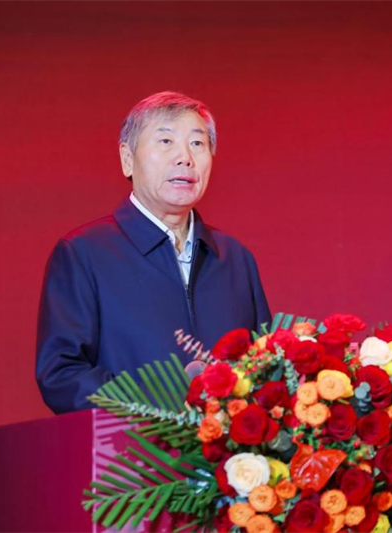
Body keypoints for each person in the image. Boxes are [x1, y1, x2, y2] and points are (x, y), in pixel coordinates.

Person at [35, 91, 272, 414]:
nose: (185, 157)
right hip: (135, 445)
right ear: (127, 158)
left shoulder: (235, 258)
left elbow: (264, 368)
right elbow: (62, 375)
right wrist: (161, 414)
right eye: (165, 141)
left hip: (227, 447)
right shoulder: (83, 253)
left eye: (197, 143)